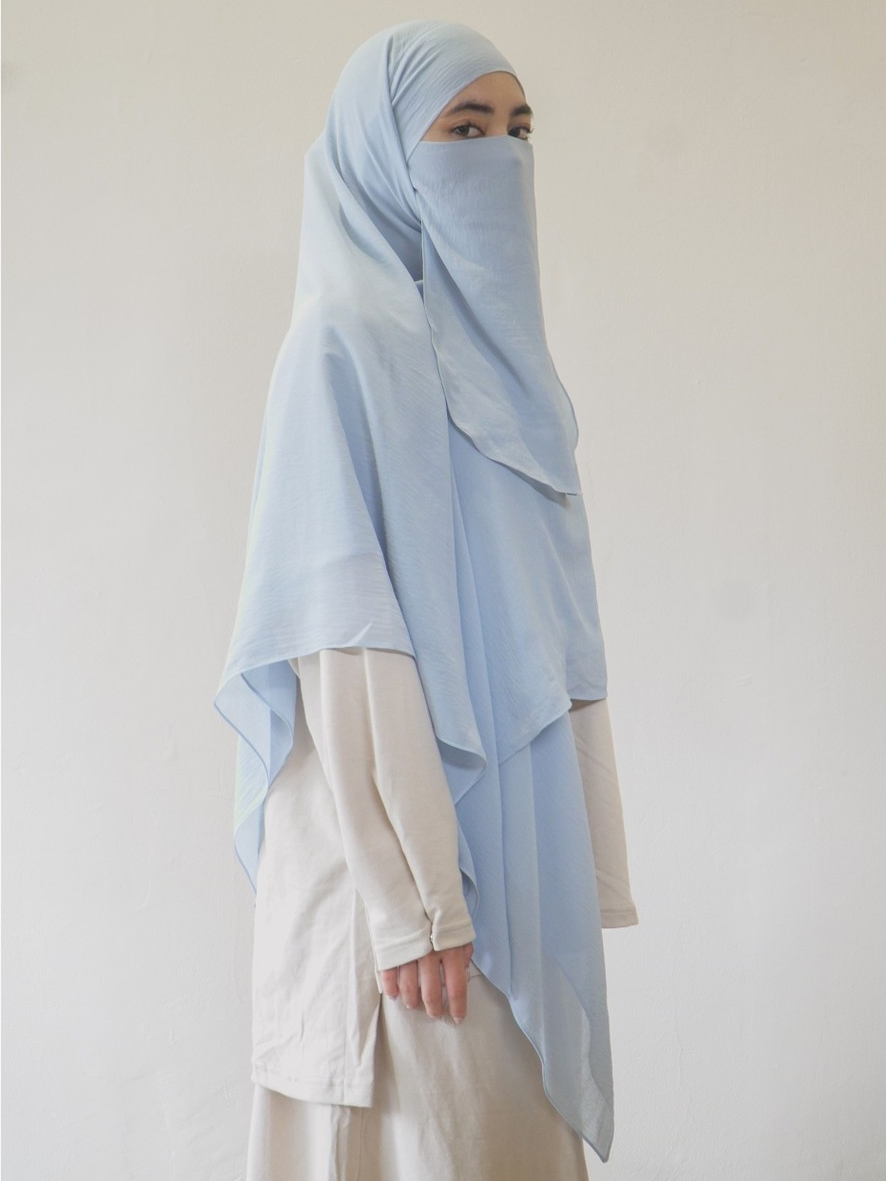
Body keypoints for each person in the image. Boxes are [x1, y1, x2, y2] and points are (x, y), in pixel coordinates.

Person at [213, 18, 639, 1179]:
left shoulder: (500, 363)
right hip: (395, 878)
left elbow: (552, 631)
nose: (499, 155)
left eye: (518, 131)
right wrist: (415, 902)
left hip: (504, 862)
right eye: (464, 129)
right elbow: (341, 637)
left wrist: (572, 859)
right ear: (382, 153)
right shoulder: (340, 347)